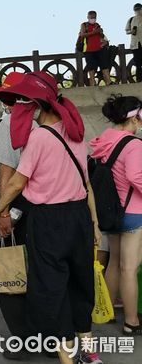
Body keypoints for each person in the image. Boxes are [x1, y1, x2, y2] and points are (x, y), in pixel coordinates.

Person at [0, 72, 103, 364]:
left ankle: (67, 357)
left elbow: (16, 182)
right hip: (78, 217)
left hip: (48, 221)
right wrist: (95, 224)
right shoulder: (76, 133)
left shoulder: (38, 137)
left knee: (53, 288)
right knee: (80, 284)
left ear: (37, 107)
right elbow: (87, 184)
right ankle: (89, 354)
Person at [0, 72, 35, 360]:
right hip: (52, 206)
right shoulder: (51, 117)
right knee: (46, 271)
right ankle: (53, 338)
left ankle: (24, 338)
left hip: (18, 204)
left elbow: (6, 171)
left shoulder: (10, 121)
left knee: (11, 269)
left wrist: (1, 211)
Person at [89, 95, 142, 335]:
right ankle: (132, 322)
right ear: (136, 117)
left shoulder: (105, 141)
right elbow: (136, 176)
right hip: (132, 213)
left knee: (115, 262)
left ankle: (107, 311)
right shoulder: (133, 145)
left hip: (110, 212)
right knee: (129, 268)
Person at [79, 11, 110, 87]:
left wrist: (100, 32)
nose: (92, 19)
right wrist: (94, 32)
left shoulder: (97, 25)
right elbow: (82, 35)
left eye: (94, 17)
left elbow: (102, 36)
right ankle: (92, 83)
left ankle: (108, 82)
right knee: (91, 68)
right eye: (91, 17)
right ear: (88, 17)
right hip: (88, 50)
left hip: (99, 49)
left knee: (104, 65)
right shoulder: (84, 25)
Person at [125, 3, 142, 82]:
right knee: (138, 63)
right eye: (136, 9)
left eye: (139, 9)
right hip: (135, 44)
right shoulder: (131, 19)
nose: (138, 11)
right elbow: (126, 31)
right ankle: (139, 79)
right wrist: (131, 31)